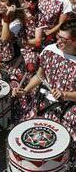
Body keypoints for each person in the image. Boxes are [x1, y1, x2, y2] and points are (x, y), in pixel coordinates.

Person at [14, 19, 76, 166]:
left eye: (63, 39)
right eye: (57, 37)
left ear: (74, 41)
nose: (58, 41)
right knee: (25, 136)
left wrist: (65, 94)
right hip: (44, 103)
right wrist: (26, 90)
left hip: (69, 109)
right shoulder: (49, 50)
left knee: (63, 145)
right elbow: (40, 75)